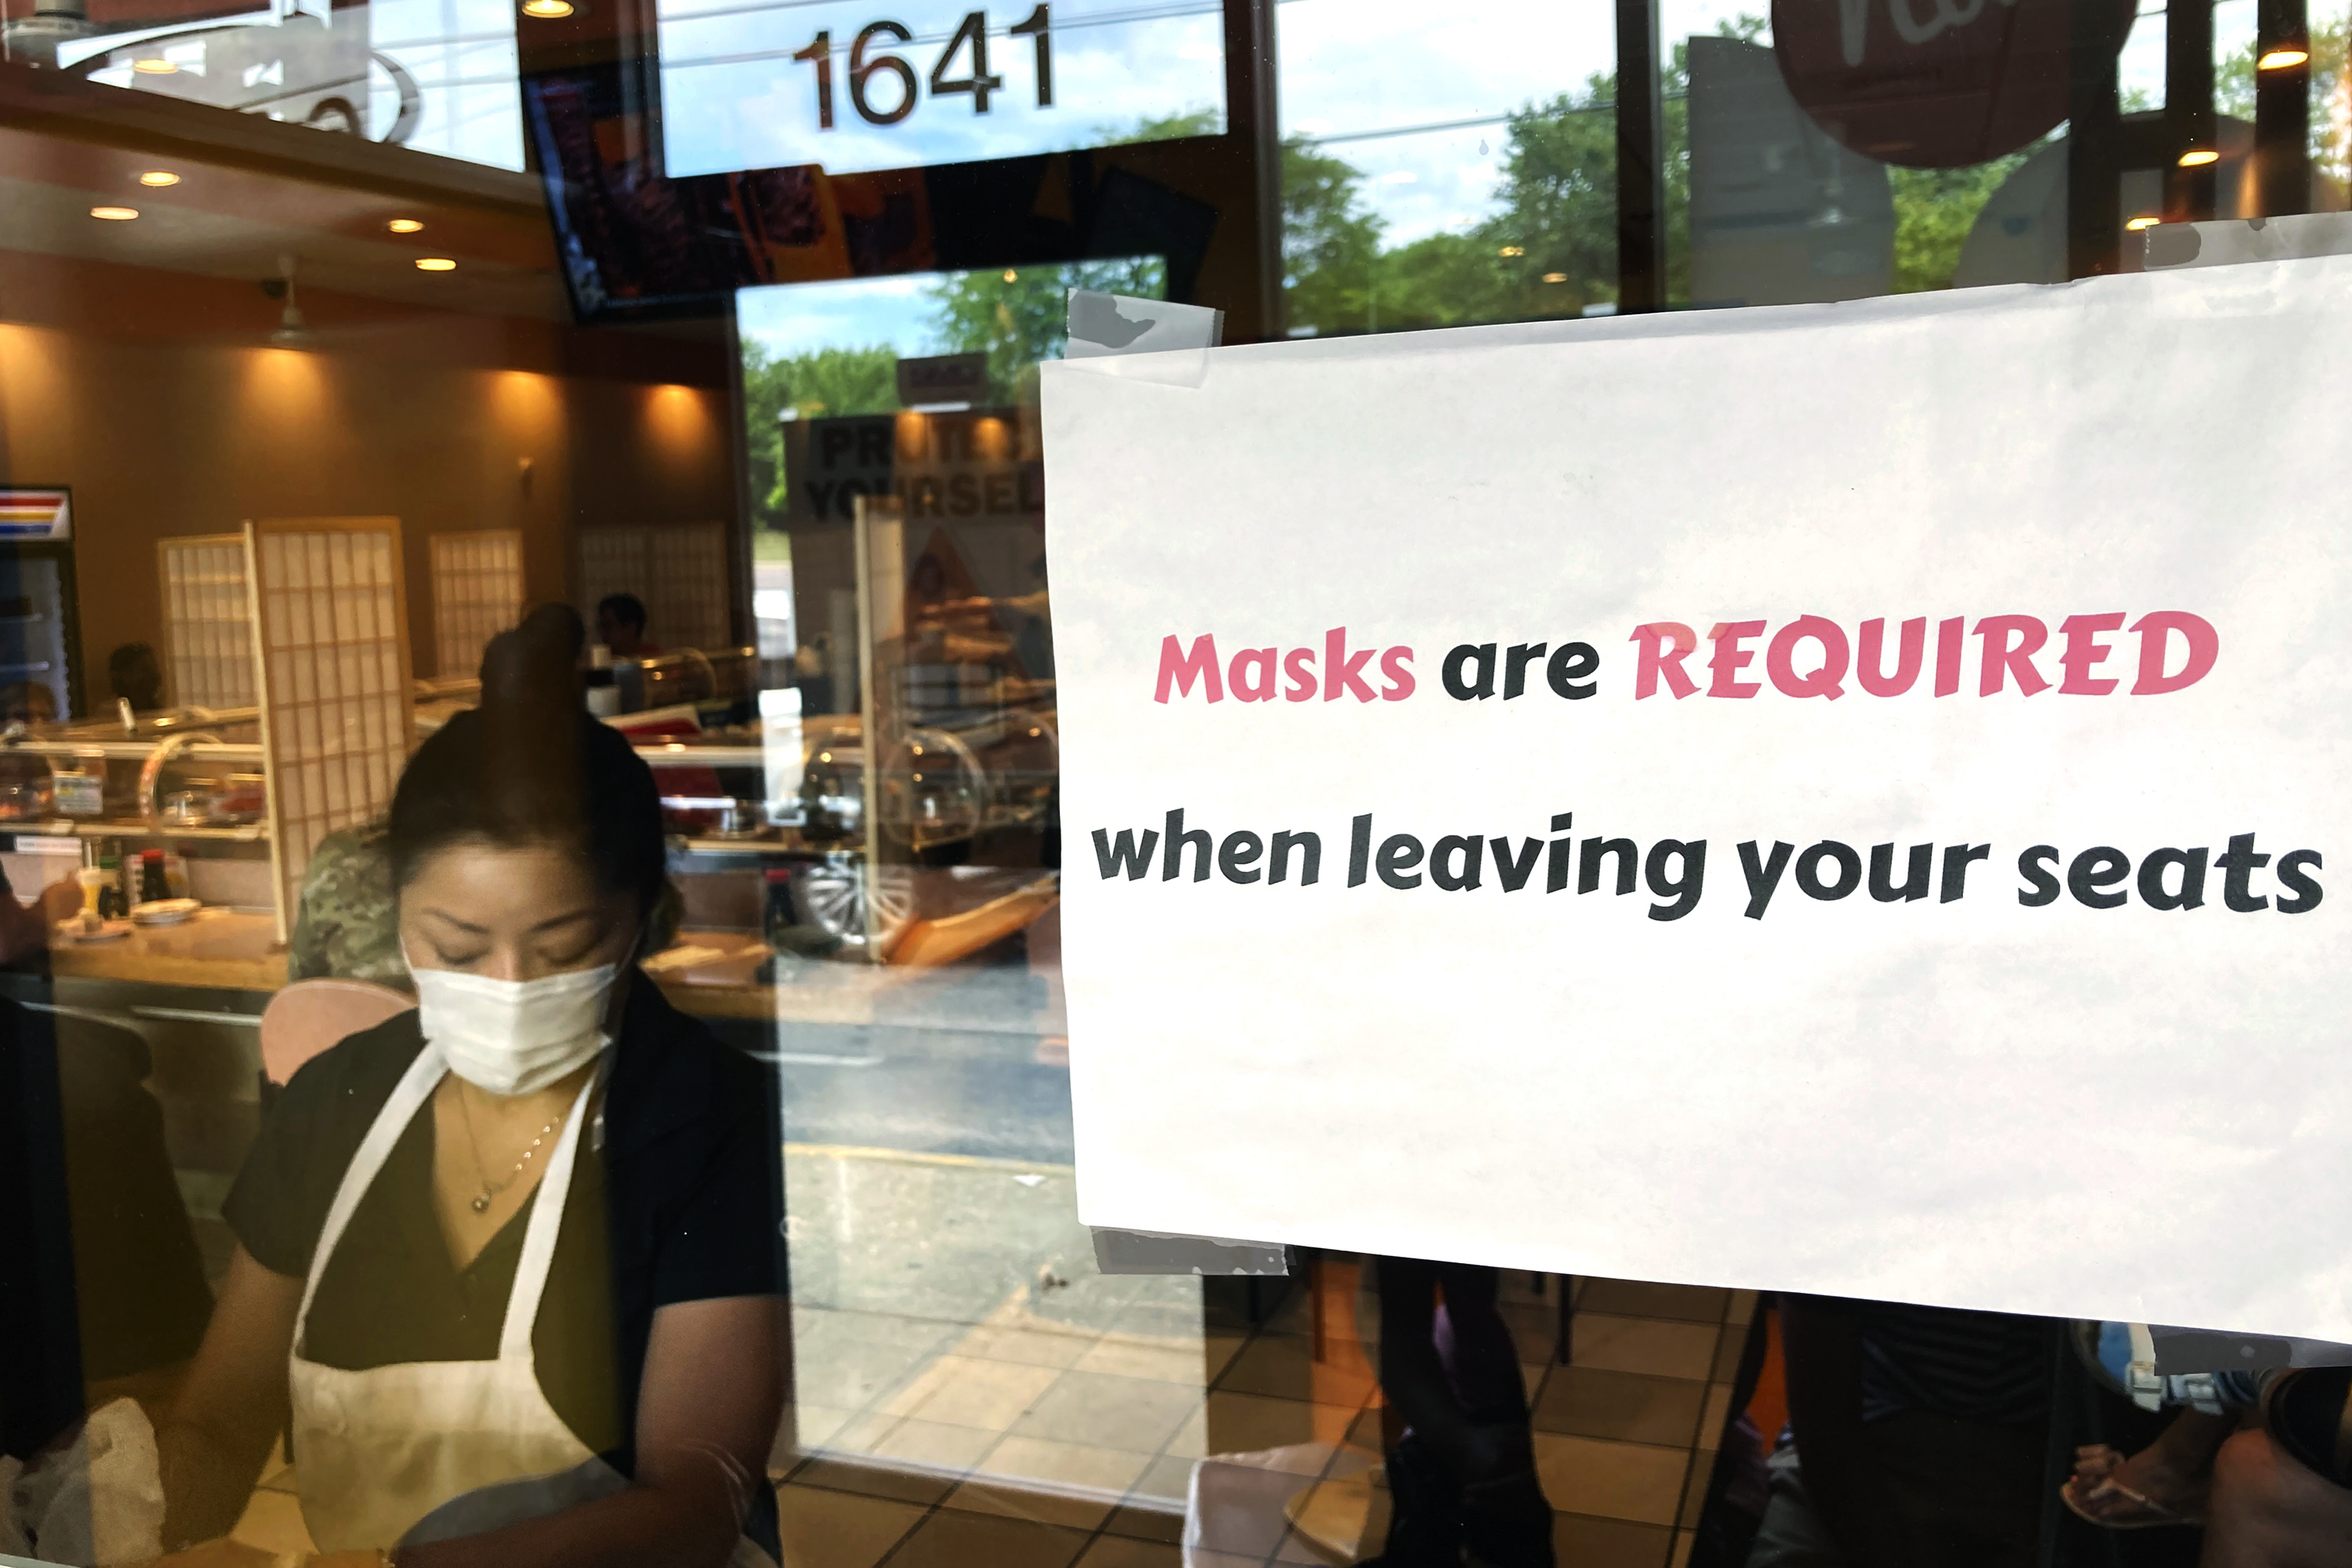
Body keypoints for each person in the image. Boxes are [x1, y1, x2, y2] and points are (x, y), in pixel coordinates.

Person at [153, 636, 786, 1566]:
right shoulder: (339, 1102)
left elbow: (693, 1502)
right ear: (401, 916)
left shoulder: (702, 1116)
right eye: (456, 948)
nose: (510, 982)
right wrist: (137, 1529)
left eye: (566, 946)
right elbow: (215, 1422)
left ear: (642, 916)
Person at [594, 594, 661, 659]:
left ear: (630, 628)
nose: (602, 632)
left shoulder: (653, 658)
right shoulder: (602, 660)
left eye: (608, 626)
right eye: (600, 627)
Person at [108, 643, 165, 713]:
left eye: (154, 669)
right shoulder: (111, 713)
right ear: (125, 675)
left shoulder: (159, 709)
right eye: (145, 670)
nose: (154, 675)